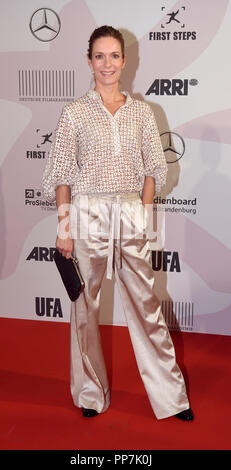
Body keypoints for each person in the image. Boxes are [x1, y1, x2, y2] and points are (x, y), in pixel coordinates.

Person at [42, 25, 194, 421]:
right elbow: (61, 174)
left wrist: (142, 214)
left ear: (125, 61)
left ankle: (171, 397)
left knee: (147, 308)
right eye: (99, 56)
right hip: (87, 213)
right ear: (89, 60)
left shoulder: (143, 112)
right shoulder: (74, 112)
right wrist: (64, 226)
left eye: (114, 56)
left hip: (128, 214)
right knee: (84, 311)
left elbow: (154, 169)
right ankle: (91, 393)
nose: (107, 64)